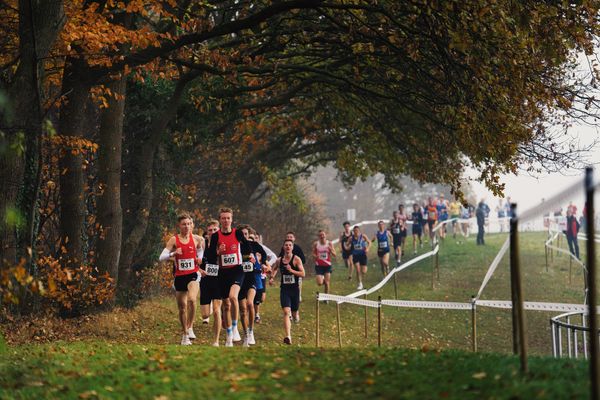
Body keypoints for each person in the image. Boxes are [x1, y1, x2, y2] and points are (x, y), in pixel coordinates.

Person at [204, 207, 252, 347]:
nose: (226, 220)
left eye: (228, 218)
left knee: (233, 297)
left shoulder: (237, 233)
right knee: (226, 306)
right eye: (223, 218)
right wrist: (218, 251)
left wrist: (250, 257)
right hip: (222, 273)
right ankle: (229, 336)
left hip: (237, 270)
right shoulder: (216, 236)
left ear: (232, 219)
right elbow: (210, 256)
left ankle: (235, 327)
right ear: (220, 220)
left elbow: (248, 249)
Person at [159, 212, 205, 345]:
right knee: (182, 307)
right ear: (179, 225)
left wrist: (200, 258)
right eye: (184, 224)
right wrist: (173, 253)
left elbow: (200, 250)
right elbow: (161, 257)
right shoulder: (174, 240)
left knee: (191, 300)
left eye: (189, 224)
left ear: (192, 225)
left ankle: (190, 327)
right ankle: (184, 334)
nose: (187, 226)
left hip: (193, 274)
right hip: (179, 276)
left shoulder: (196, 238)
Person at [237, 226, 269, 346]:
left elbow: (264, 255)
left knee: (250, 303)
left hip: (251, 278)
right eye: (242, 234)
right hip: (240, 279)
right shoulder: (237, 246)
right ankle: (245, 334)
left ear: (249, 234)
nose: (244, 236)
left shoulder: (254, 245)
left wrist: (262, 263)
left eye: (246, 234)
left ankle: (251, 331)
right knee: (243, 309)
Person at [270, 239, 305, 345]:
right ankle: (288, 336)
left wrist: (292, 271)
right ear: (283, 247)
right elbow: (275, 269)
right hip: (284, 290)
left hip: (295, 290)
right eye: (286, 245)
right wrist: (272, 277)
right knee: (286, 312)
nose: (288, 247)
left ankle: (295, 316)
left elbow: (303, 273)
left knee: (294, 313)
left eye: (290, 245)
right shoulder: (279, 260)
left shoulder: (296, 259)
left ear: (292, 247)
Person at [199, 219, 222, 346]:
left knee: (217, 310)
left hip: (218, 280)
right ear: (207, 232)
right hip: (205, 281)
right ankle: (211, 309)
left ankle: (216, 341)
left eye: (215, 230)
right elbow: (195, 259)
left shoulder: (222, 244)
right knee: (205, 314)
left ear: (218, 231)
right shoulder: (203, 245)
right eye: (210, 230)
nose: (212, 232)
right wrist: (200, 270)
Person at [254, 233, 277, 324]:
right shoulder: (247, 247)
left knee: (262, 298)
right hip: (252, 275)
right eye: (253, 238)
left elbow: (273, 257)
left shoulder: (262, 248)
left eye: (257, 238)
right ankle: (256, 314)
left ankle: (255, 307)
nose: (255, 239)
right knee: (254, 296)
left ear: (259, 239)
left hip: (262, 275)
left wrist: (268, 266)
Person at [278, 231, 306, 301]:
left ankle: (298, 296)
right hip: (286, 274)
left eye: (291, 237)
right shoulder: (284, 248)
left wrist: (295, 263)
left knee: (297, 284)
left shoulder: (297, 248)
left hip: (296, 271)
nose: (289, 238)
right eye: (287, 237)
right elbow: (279, 258)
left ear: (294, 238)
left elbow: (303, 260)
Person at [344, 225, 371, 290]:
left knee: (363, 271)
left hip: (363, 255)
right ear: (353, 231)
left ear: (359, 231)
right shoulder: (351, 238)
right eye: (355, 231)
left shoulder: (363, 236)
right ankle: (360, 283)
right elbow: (347, 245)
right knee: (358, 270)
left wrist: (367, 248)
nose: (356, 232)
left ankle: (360, 278)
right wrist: (347, 247)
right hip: (355, 255)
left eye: (357, 231)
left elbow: (369, 242)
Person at [313, 230, 336, 295]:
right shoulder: (316, 244)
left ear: (325, 235)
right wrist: (316, 256)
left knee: (327, 282)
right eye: (320, 235)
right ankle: (323, 279)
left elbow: (334, 254)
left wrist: (331, 250)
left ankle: (326, 298)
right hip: (319, 265)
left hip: (327, 265)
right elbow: (313, 253)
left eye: (323, 235)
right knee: (320, 283)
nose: (322, 236)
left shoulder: (329, 243)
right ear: (318, 236)